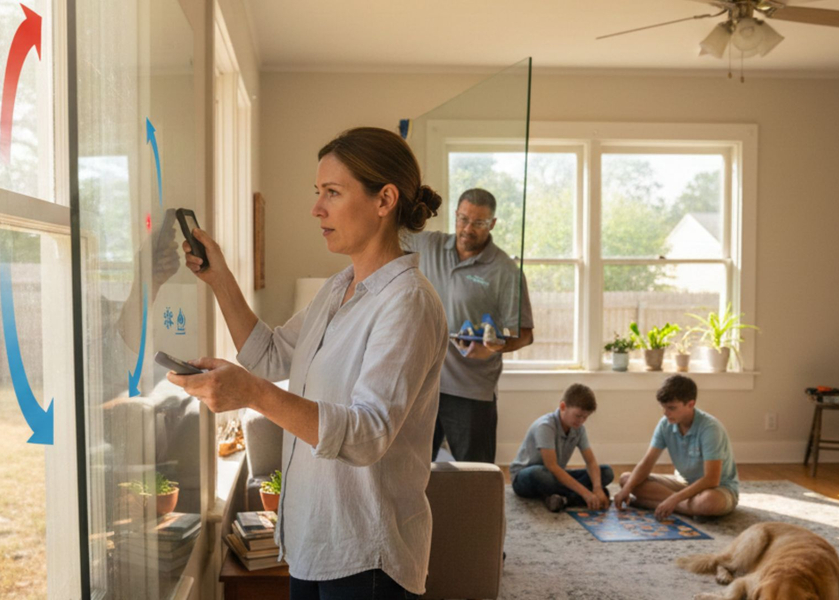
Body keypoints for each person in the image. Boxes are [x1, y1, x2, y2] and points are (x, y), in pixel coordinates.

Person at [167, 127, 446, 599]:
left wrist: (252, 393)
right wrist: (221, 280)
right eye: (318, 193)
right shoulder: (337, 289)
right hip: (312, 540)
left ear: (385, 200)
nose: (316, 208)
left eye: (332, 193)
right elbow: (268, 354)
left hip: (366, 556)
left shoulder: (407, 303)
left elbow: (366, 435)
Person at [402, 188, 534, 463]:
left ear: (493, 224)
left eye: (478, 223)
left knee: (476, 477)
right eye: (463, 219)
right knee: (413, 471)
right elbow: (390, 230)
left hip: (471, 391)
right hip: (424, 384)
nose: (467, 229)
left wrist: (493, 348)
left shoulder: (506, 271)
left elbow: (523, 335)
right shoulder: (430, 246)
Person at [613, 375, 740, 520]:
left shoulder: (710, 428)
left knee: (708, 502)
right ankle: (689, 509)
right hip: (685, 485)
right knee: (626, 479)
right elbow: (647, 463)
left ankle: (657, 504)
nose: (666, 413)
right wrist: (627, 490)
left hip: (717, 490)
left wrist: (674, 500)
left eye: (672, 408)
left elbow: (711, 479)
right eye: (664, 407)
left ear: (690, 404)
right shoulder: (665, 423)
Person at [509, 383, 613, 512]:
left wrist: (597, 488)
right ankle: (574, 497)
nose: (581, 420)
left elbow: (591, 462)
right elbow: (551, 466)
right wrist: (586, 493)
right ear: (563, 407)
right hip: (526, 478)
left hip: (555, 476)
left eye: (585, 417)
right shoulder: (546, 426)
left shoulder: (579, 429)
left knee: (606, 472)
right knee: (540, 474)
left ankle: (560, 499)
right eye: (578, 415)